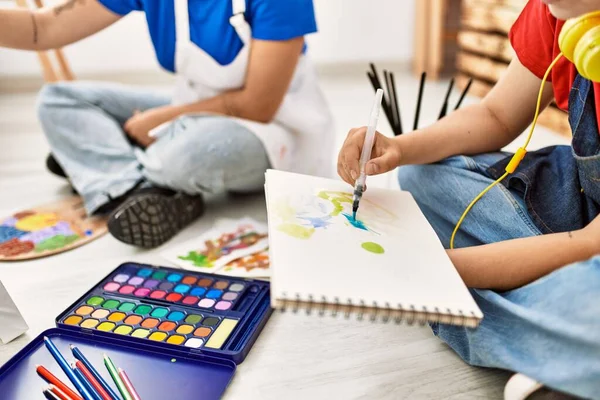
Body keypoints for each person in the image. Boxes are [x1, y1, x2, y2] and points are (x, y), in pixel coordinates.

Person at [338, 0, 599, 398]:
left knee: (586, 309)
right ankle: (548, 336)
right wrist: (398, 147)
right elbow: (496, 115)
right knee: (423, 173)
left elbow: (589, 246)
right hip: (582, 200)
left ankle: (551, 340)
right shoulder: (558, 8)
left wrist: (429, 269)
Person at [0, 0, 332, 248]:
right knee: (58, 99)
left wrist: (164, 119)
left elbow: (258, 106)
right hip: (188, 111)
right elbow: (43, 28)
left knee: (187, 155)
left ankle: (104, 162)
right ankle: (134, 186)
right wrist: (172, 117)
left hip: (270, 129)